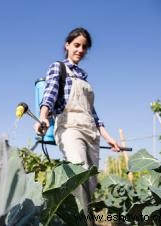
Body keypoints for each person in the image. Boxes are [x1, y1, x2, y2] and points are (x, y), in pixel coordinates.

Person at [34, 27, 120, 224]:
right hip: (70, 128)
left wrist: (109, 138)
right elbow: (50, 93)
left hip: (91, 132)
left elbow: (93, 113)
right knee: (77, 175)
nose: (80, 50)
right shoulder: (59, 67)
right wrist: (43, 116)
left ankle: (83, 221)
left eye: (84, 47)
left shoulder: (83, 76)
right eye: (76, 45)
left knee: (89, 183)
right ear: (67, 45)